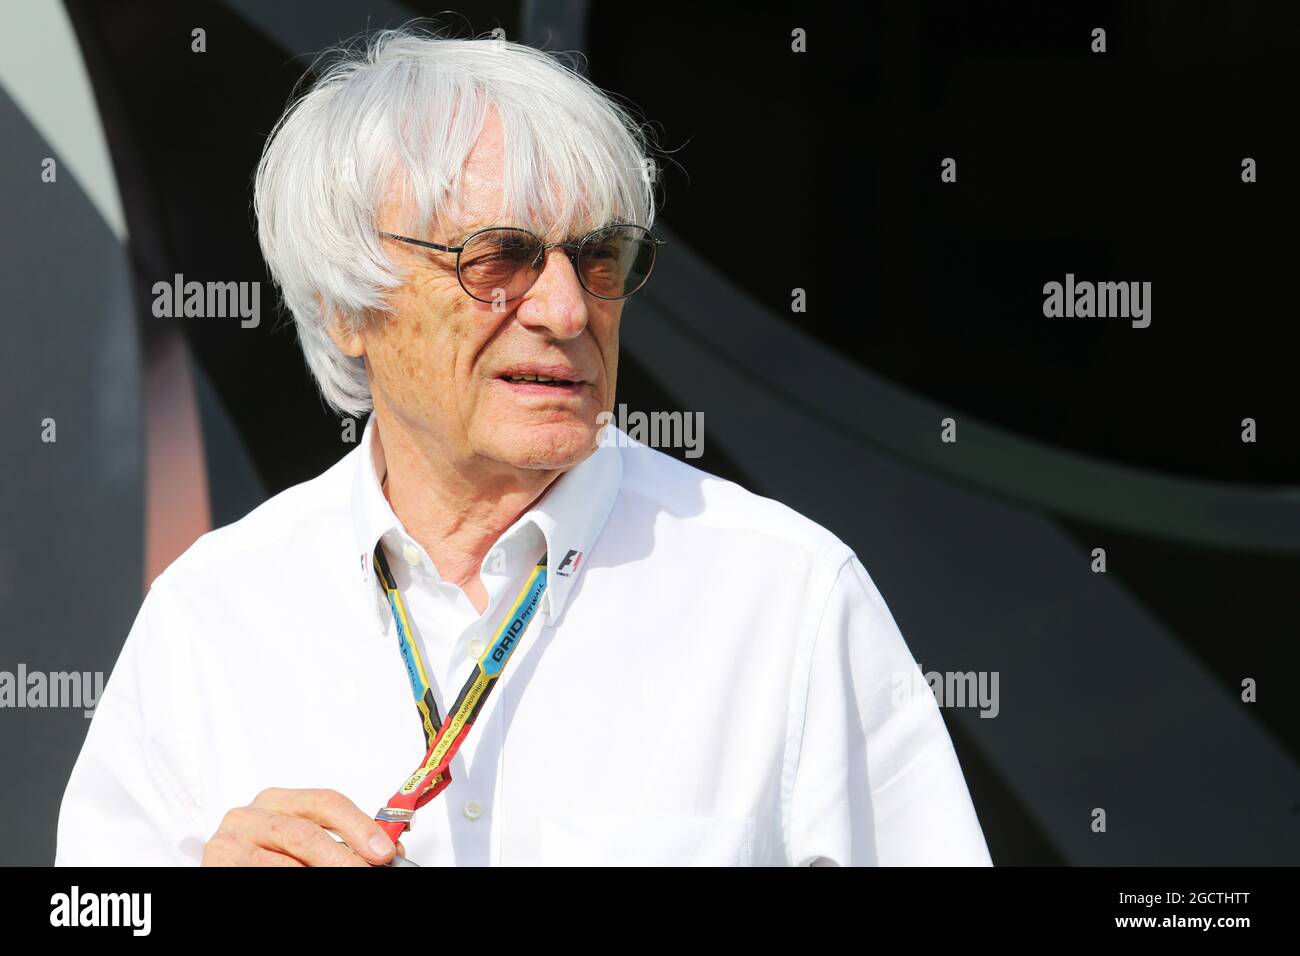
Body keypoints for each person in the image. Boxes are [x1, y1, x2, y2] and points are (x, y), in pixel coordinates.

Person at [55, 27, 992, 866]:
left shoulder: (784, 596)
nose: (567, 309)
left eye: (598, 258)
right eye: (496, 258)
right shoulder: (212, 613)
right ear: (347, 306)